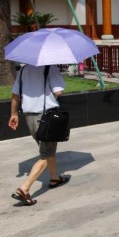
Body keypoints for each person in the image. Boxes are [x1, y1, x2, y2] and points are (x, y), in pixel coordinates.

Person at [9, 65, 69, 206]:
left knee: (48, 149)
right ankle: (25, 188)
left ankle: (54, 178)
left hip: (29, 116)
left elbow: (15, 94)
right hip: (46, 116)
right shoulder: (50, 68)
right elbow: (58, 91)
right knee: (46, 154)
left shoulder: (23, 70)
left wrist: (13, 114)